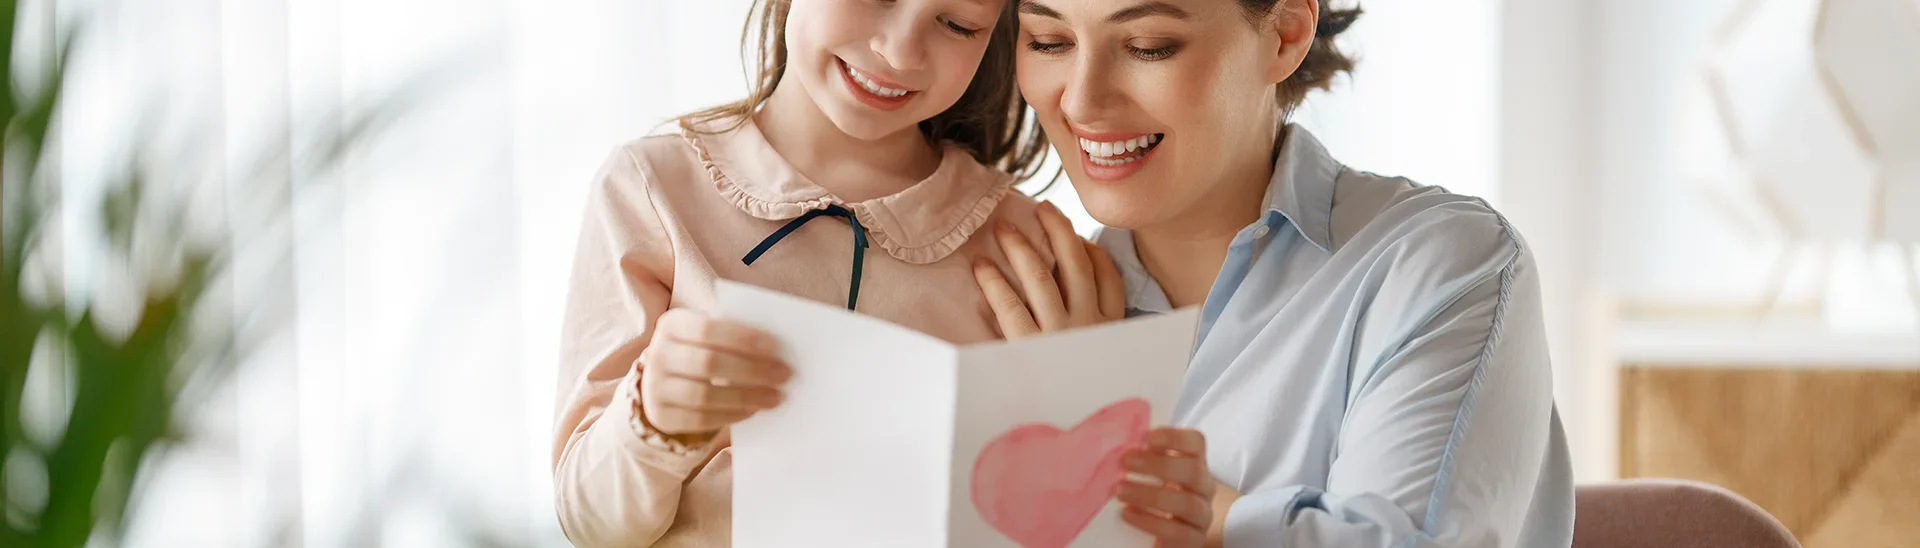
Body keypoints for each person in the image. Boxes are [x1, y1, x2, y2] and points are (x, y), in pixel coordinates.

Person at [549, 0, 1199, 545]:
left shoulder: (1028, 248)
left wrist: (1079, 407)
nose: (900, 51)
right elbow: (590, 522)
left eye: (956, 24)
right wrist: (654, 421)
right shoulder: (651, 190)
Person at [972, 0, 1577, 546]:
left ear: (1285, 35)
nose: (1080, 100)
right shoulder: (1030, 312)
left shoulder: (1437, 264)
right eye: (1049, 41)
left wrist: (1191, 508)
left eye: (1147, 45)